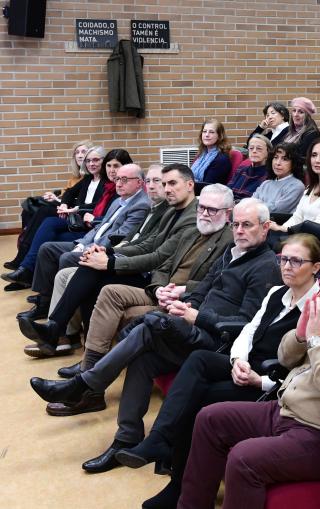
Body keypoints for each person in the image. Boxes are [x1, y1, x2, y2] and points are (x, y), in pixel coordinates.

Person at [30, 199, 283, 473]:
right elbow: (203, 290)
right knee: (144, 359)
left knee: (151, 323)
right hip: (195, 327)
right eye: (236, 224)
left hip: (220, 344)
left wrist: (197, 316)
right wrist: (186, 305)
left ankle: (86, 383)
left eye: (247, 225)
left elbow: (247, 323)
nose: (239, 230)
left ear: (266, 227)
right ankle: (125, 439)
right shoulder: (231, 252)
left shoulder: (265, 266)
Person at [177, 243, 320, 509]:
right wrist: (300, 336)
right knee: (210, 419)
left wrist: (315, 341)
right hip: (287, 410)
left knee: (244, 458)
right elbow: (285, 359)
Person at [106, 235, 320, 509]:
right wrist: (238, 360)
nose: (287, 266)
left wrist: (262, 381)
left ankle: (178, 485)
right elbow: (249, 331)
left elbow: (305, 368)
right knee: (199, 359)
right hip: (247, 365)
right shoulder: (277, 292)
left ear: (316, 267)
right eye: (283, 259)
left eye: (296, 261)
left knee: (199, 399)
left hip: (271, 383)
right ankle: (159, 441)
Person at [38, 188, 231, 414]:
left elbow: (216, 284)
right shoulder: (191, 231)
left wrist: (179, 290)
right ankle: (87, 375)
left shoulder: (229, 241)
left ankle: (87, 390)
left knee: (111, 292)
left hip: (184, 302)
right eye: (202, 207)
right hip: (159, 292)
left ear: (228, 214)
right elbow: (163, 264)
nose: (204, 213)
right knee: (109, 291)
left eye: (212, 210)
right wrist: (159, 288)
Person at [20, 165, 203, 364]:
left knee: (95, 273)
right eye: (164, 183)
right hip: (147, 270)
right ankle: (72, 342)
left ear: (190, 184)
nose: (166, 188)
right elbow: (147, 243)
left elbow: (158, 257)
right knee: (91, 269)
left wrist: (110, 263)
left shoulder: (191, 217)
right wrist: (107, 252)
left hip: (158, 280)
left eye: (171, 183)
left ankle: (62, 334)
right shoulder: (172, 209)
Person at [17, 164, 151, 324]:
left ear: (139, 183)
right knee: (48, 248)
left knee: (67, 257)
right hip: (90, 243)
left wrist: (86, 248)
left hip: (103, 250)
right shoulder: (118, 201)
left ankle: (67, 318)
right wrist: (82, 244)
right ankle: (44, 302)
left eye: (124, 179)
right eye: (117, 179)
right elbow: (99, 228)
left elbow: (118, 237)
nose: (119, 184)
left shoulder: (141, 205)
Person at [3, 145, 116, 287]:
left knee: (48, 224)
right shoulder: (87, 179)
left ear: (103, 161)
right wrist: (64, 204)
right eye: (88, 161)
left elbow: (99, 206)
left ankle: (26, 269)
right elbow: (69, 193)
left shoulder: (108, 183)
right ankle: (26, 272)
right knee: (44, 220)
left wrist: (76, 208)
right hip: (74, 218)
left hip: (86, 222)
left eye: (95, 160)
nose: (91, 164)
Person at [270, 139, 320, 234]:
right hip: (300, 237)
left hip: (317, 242)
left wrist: (285, 230)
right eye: (314, 155)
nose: (317, 160)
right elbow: (297, 217)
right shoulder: (310, 187)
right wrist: (281, 229)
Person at [252, 142, 306, 214]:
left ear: (294, 163)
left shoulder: (297, 186)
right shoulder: (266, 183)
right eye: (275, 157)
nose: (278, 163)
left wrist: (252, 208)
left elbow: (276, 210)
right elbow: (250, 202)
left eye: (285, 159)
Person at [227, 135, 271, 200]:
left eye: (259, 148)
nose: (254, 151)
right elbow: (227, 191)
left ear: (268, 152)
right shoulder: (241, 169)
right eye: (251, 148)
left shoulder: (269, 176)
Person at [192, 119, 232, 185]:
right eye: (204, 131)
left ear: (219, 136)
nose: (207, 135)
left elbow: (206, 186)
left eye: (211, 132)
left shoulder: (221, 160)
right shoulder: (203, 154)